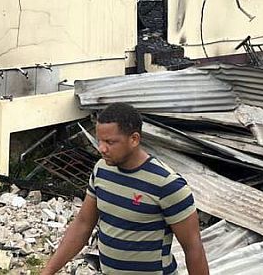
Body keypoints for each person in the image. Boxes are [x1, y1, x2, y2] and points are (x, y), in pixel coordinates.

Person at [41, 103, 209, 275]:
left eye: (110, 142)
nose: (101, 148)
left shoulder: (167, 184)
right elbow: (83, 225)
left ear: (134, 139)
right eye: (99, 140)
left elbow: (193, 247)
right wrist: (48, 271)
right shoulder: (101, 170)